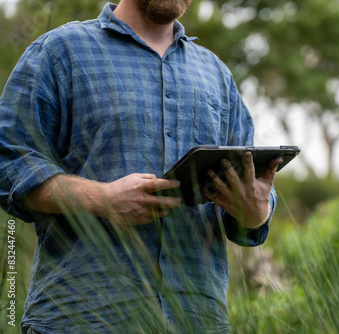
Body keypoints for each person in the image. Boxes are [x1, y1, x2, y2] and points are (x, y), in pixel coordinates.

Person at [0, 0, 282, 333]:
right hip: (81, 320)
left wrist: (255, 212)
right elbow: (9, 160)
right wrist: (101, 199)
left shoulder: (217, 74)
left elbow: (257, 192)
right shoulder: (60, 52)